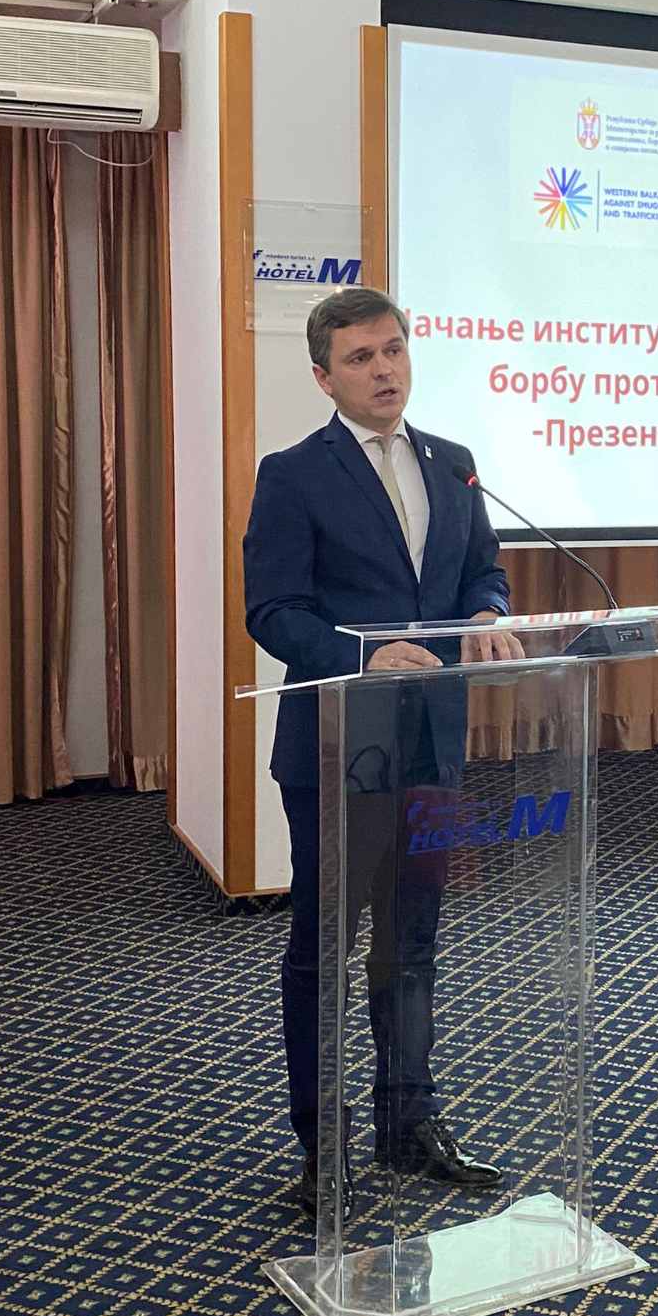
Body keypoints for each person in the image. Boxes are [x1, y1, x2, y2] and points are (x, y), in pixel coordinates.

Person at [243, 286, 523, 1218]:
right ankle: (323, 1146)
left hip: (431, 739)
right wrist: (361, 655)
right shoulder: (293, 474)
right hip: (338, 744)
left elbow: (484, 569)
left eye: (394, 349)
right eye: (361, 358)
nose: (384, 370)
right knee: (327, 947)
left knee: (413, 940)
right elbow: (273, 611)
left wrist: (487, 611)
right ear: (324, 377)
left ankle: (408, 1120)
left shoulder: (453, 463)